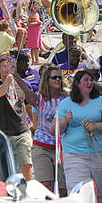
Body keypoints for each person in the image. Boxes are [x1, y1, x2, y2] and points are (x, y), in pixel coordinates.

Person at [57, 69, 102, 203]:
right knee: (76, 191)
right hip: (74, 154)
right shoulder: (66, 104)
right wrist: (65, 120)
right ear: (77, 83)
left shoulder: (101, 102)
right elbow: (57, 130)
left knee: (99, 191)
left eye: (91, 80)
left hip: (99, 153)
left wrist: (96, 126)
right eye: (85, 80)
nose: (89, 83)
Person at [0, 51, 39, 178]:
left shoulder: (21, 84)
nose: (7, 69)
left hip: (22, 130)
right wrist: (7, 83)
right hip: (5, 133)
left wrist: (32, 121)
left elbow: (28, 104)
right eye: (4, 66)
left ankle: (29, 188)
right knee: (5, 167)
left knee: (26, 163)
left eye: (10, 66)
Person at [32, 66, 67, 194]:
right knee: (46, 187)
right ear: (47, 80)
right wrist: (15, 75)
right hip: (42, 146)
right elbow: (35, 122)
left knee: (64, 190)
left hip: (63, 148)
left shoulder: (67, 98)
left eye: (60, 77)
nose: (58, 79)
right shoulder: (40, 98)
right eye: (54, 77)